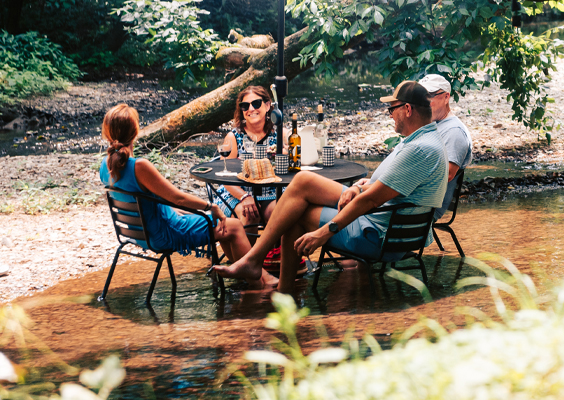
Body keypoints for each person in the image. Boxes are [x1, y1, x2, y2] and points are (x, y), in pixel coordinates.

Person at [214, 81, 449, 292]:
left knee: (295, 207)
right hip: (387, 225)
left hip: (380, 236)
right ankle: (269, 278)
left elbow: (372, 200)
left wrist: (323, 232)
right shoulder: (421, 141)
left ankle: (269, 278)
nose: (390, 116)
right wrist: (357, 187)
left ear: (407, 110)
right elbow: (383, 187)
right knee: (300, 189)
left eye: (392, 110)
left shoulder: (419, 149)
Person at [99, 104, 276, 288]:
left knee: (225, 227)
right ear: (135, 131)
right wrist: (211, 207)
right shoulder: (139, 166)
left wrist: (180, 211)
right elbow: (178, 198)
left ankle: (248, 276)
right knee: (233, 225)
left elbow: (154, 202)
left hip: (138, 234)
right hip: (163, 234)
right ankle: (259, 285)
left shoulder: (106, 165)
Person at [213, 86, 288, 240]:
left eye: (256, 103)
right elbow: (225, 177)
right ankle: (248, 260)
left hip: (271, 192)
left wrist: (287, 154)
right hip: (236, 193)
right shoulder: (234, 137)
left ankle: (277, 259)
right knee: (250, 214)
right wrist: (244, 196)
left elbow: (293, 166)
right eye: (245, 106)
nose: (251, 109)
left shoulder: (280, 134)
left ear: (267, 106)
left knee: (281, 215)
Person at [418, 74, 472, 220]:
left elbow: (447, 175)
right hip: (413, 201)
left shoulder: (454, 131)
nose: (423, 102)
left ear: (446, 97)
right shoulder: (433, 126)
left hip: (424, 208)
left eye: (429, 96)